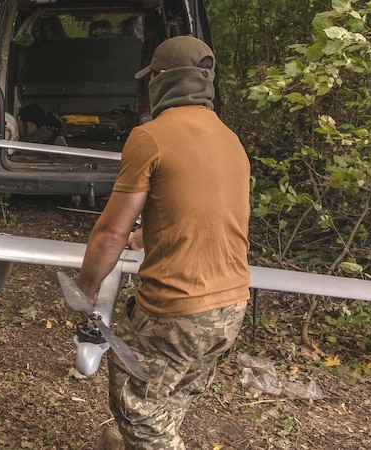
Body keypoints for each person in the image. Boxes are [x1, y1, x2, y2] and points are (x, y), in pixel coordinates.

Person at [75, 35, 251, 448]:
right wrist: (147, 234)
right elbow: (201, 210)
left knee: (136, 406)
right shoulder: (229, 138)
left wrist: (85, 287)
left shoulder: (150, 136)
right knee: (171, 396)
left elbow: (110, 232)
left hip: (177, 309)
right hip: (231, 307)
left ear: (161, 78)